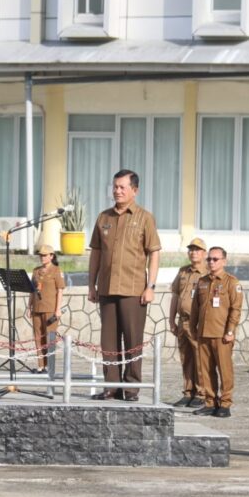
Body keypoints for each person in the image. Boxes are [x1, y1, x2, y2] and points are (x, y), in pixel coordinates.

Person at [87, 169, 161, 402]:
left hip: (133, 290)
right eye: (115, 187)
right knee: (108, 342)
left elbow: (154, 254)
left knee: (132, 341)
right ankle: (111, 387)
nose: (117, 191)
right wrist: (91, 284)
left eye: (122, 187)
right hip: (107, 289)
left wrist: (150, 286)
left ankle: (130, 389)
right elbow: (96, 254)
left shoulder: (144, 217)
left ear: (134, 190)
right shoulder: (104, 218)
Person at [190, 247, 242, 418]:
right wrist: (193, 328)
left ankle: (225, 404)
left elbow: (235, 309)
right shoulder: (202, 281)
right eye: (209, 259)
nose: (211, 262)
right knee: (205, 371)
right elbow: (195, 308)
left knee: (224, 370)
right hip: (204, 333)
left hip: (221, 335)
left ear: (224, 261)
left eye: (215, 259)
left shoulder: (231, 282)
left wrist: (230, 331)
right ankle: (210, 402)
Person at [168, 237, 207, 408]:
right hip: (182, 321)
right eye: (191, 249)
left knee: (200, 359)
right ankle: (188, 392)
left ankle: (201, 393)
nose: (193, 252)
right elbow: (175, 295)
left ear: (204, 253)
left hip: (197, 323)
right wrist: (171, 320)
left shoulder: (207, 273)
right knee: (186, 359)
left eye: (197, 249)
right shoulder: (183, 271)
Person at [27, 244, 65, 372]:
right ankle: (41, 366)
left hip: (50, 309)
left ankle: (49, 366)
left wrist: (58, 309)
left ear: (51, 256)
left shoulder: (56, 270)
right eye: (40, 255)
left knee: (50, 338)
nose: (42, 257)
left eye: (44, 255)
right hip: (37, 308)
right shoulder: (36, 271)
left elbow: (60, 290)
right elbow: (32, 291)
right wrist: (29, 307)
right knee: (38, 337)